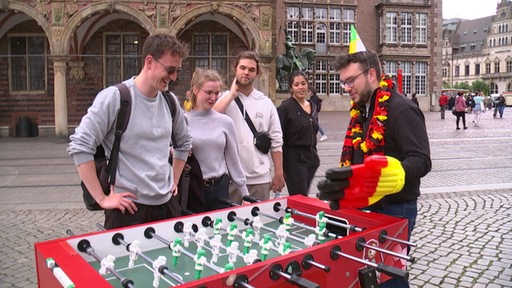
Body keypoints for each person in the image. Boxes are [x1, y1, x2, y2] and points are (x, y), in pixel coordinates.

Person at [317, 47, 431, 288]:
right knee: (369, 276)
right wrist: (346, 185)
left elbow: (421, 159)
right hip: (365, 206)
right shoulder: (361, 111)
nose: (346, 88)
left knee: (389, 277)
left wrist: (396, 172)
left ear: (371, 75)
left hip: (396, 208)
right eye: (343, 83)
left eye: (350, 81)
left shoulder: (402, 109)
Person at [67, 33, 192, 229]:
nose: (174, 77)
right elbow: (80, 145)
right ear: (149, 62)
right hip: (128, 210)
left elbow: (184, 143)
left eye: (178, 71)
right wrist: (101, 198)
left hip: (167, 205)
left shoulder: (170, 102)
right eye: (170, 70)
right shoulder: (115, 97)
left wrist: (173, 180)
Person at [213, 51, 285, 203]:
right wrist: (232, 95)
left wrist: (279, 172)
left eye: (251, 70)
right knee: (230, 224)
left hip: (259, 178)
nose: (246, 72)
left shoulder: (265, 103)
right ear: (235, 69)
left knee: (258, 222)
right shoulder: (223, 98)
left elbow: (276, 140)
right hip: (229, 177)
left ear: (257, 73)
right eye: (243, 68)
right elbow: (210, 118)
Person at [185, 68, 249, 211]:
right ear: (195, 90)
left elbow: (233, 160)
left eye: (216, 93)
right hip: (193, 189)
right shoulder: (184, 121)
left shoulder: (225, 122)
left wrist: (244, 193)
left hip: (219, 188)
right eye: (208, 92)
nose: (213, 97)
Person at [277, 70, 320, 197]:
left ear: (307, 85)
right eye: (296, 85)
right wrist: (281, 167)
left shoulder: (313, 106)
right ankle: (296, 216)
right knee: (299, 196)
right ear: (291, 88)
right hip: (294, 159)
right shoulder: (285, 108)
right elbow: (279, 137)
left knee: (304, 195)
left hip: (311, 158)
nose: (300, 87)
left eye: (303, 83)